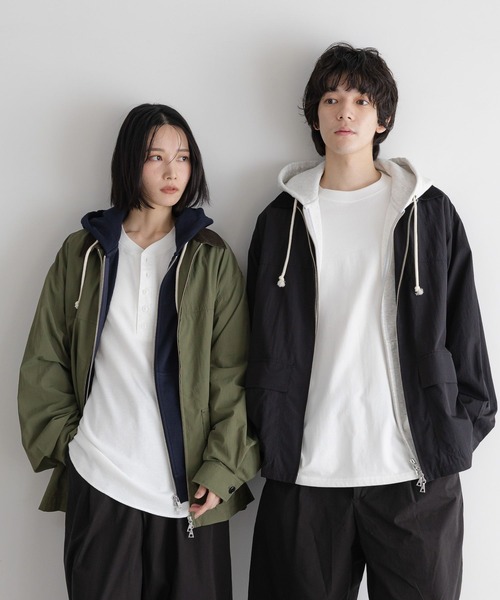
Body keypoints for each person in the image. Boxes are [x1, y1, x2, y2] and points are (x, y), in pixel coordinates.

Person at [245, 43, 496, 600]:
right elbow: (254, 342)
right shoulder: (280, 220)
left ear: (383, 119)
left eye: (362, 100)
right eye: (332, 99)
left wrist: (454, 430)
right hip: (306, 473)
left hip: (413, 477)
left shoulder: (429, 213)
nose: (346, 112)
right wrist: (267, 434)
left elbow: (466, 332)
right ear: (315, 116)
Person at [18, 103, 259, 600]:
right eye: (155, 157)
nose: (172, 172)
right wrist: (73, 449)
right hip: (101, 478)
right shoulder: (84, 253)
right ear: (130, 162)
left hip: (190, 491)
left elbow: (233, 375)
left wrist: (223, 468)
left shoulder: (211, 257)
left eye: (183, 157)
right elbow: (45, 358)